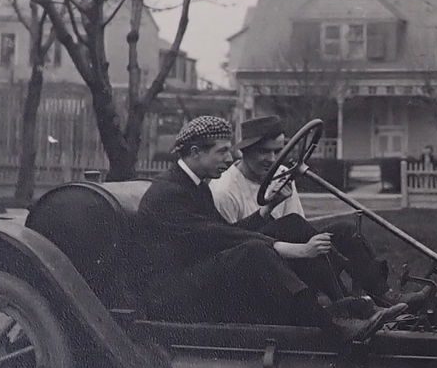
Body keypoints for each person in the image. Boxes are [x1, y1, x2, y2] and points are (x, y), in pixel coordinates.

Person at [132, 116, 405, 342]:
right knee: (253, 251)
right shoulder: (169, 193)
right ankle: (330, 323)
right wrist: (285, 248)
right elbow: (218, 237)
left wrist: (267, 209)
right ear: (195, 153)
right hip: (171, 295)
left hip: (195, 276)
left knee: (291, 224)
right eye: (222, 151)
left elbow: (222, 232)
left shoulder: (194, 185)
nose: (230, 157)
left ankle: (349, 306)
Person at [209, 115, 401, 307]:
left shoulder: (280, 174)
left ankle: (384, 295)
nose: (272, 159)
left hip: (294, 256)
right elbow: (232, 249)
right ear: (245, 151)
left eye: (277, 151)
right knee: (294, 225)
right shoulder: (225, 190)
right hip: (261, 269)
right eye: (264, 152)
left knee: (346, 230)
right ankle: (346, 304)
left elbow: (299, 227)